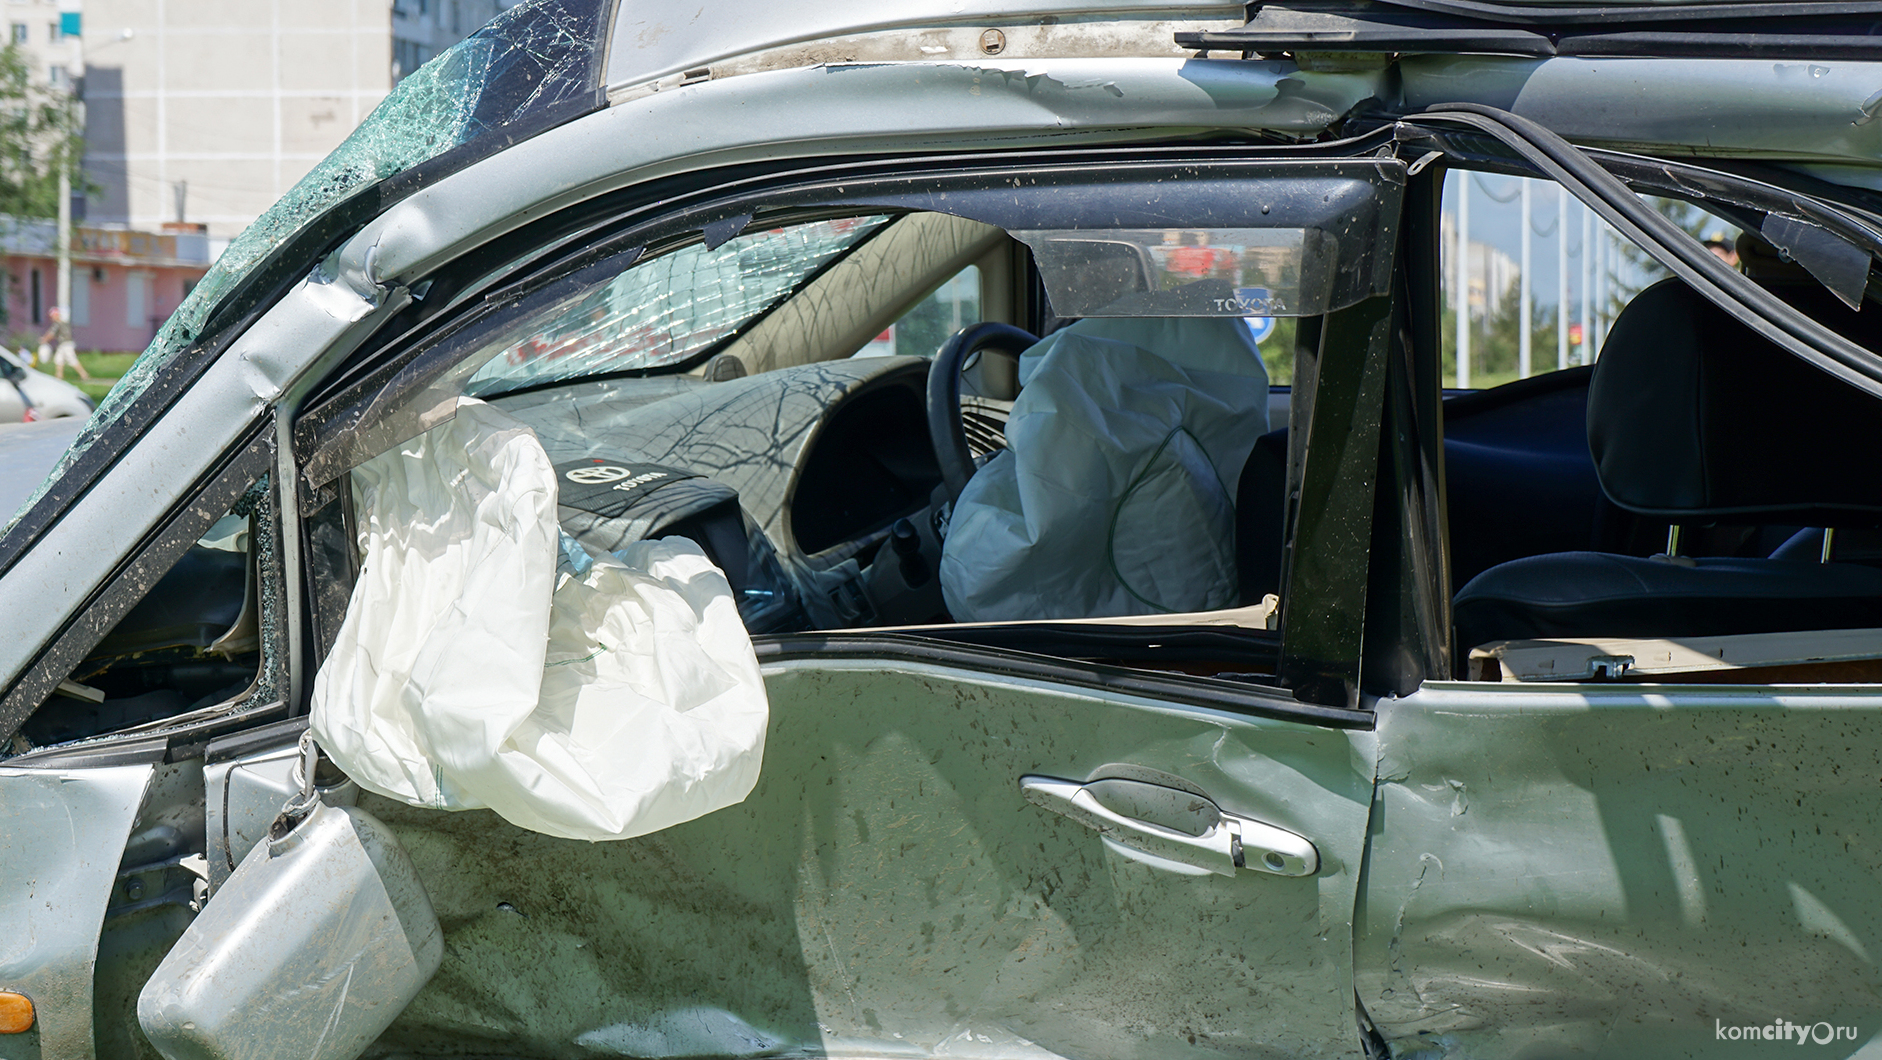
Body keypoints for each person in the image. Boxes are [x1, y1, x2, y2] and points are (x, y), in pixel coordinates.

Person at [41, 306, 87, 382]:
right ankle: (59, 376)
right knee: (58, 359)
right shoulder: (64, 323)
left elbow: (51, 334)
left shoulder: (57, 324)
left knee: (72, 359)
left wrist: (44, 339)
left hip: (66, 344)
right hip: (64, 344)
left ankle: (84, 374)